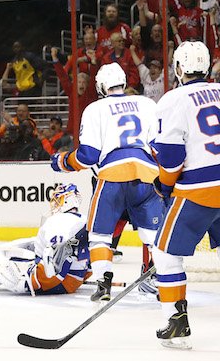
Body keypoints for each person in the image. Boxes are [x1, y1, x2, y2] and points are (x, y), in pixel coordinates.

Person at [50, 62, 162, 304]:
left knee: (100, 235)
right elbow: (159, 147)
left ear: (101, 86)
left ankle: (103, 284)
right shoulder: (147, 104)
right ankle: (161, 279)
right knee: (153, 236)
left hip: (113, 176)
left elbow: (88, 156)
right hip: (148, 175)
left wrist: (62, 162)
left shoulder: (95, 109)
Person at [151, 40, 220, 350]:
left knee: (165, 254)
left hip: (198, 190)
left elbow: (171, 156)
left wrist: (164, 185)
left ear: (178, 68)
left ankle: (176, 322)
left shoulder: (173, 99)